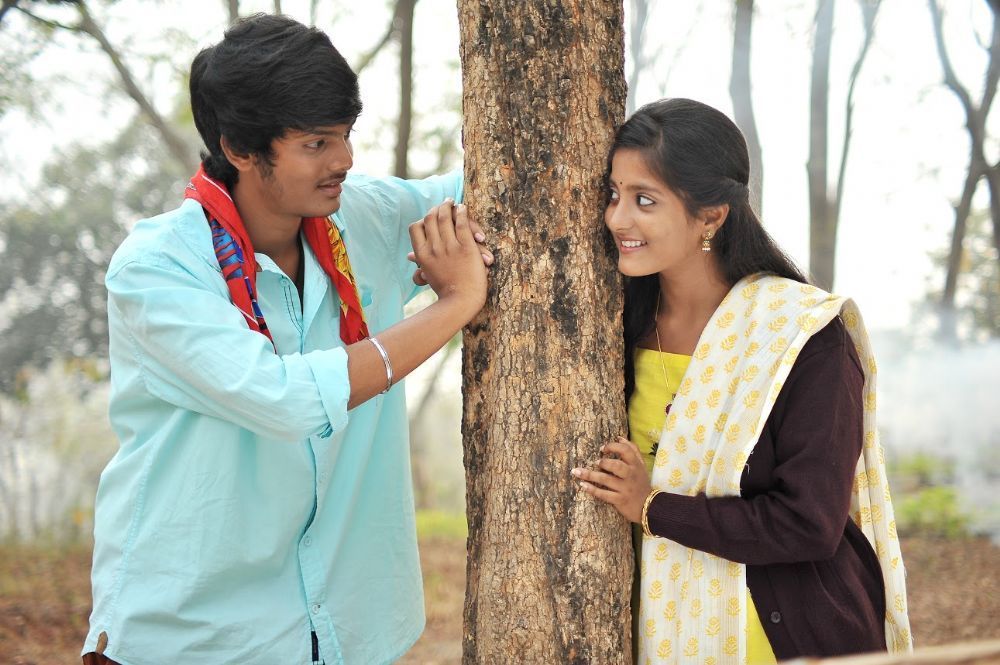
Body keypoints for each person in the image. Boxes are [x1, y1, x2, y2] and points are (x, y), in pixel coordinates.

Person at [82, 14, 490, 665]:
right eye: (316, 142)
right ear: (240, 148)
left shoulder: (363, 216)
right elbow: (285, 399)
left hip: (343, 629)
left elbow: (498, 180)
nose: (344, 160)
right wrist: (457, 305)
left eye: (346, 134)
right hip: (194, 635)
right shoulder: (159, 268)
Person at [572, 98, 912, 663]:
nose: (616, 219)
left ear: (711, 216)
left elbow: (809, 523)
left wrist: (652, 506)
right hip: (660, 634)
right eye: (614, 194)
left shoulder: (799, 335)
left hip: (783, 639)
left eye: (644, 200)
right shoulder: (611, 327)